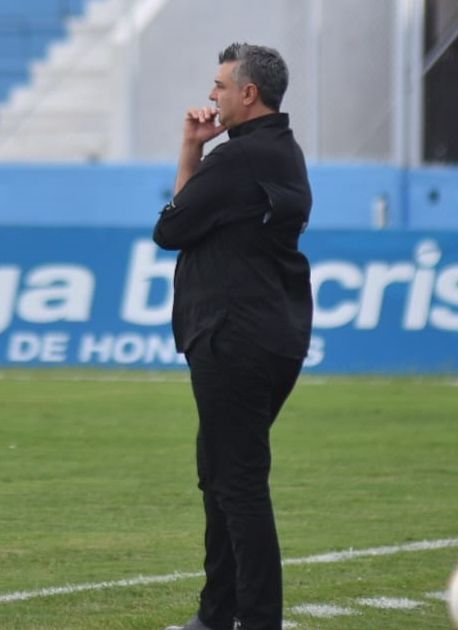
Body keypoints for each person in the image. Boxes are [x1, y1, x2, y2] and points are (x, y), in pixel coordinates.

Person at [153, 43, 313, 630]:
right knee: (221, 471)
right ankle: (216, 614)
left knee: (237, 482)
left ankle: (254, 620)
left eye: (220, 84)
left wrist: (191, 151)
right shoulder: (284, 152)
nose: (211, 95)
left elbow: (170, 228)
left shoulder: (237, 160)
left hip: (232, 336)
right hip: (273, 335)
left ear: (249, 93)